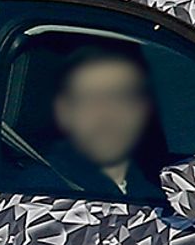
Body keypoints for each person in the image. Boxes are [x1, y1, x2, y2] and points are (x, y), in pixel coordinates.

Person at [36, 40, 168, 204]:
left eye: (120, 97)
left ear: (142, 109)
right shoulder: (38, 192)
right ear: (64, 111)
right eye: (90, 98)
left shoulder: (164, 194)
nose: (106, 113)